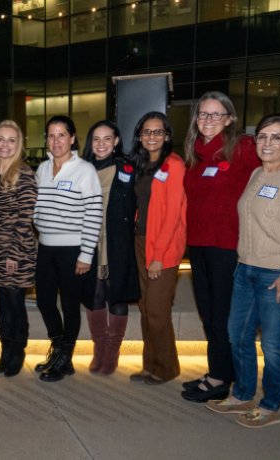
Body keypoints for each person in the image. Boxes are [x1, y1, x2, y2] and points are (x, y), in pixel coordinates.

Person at [181, 91, 280, 402]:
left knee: (222, 317)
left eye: (217, 114)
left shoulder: (243, 147)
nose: (208, 120)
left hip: (230, 248)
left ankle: (221, 378)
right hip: (199, 246)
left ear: (230, 118)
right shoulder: (195, 152)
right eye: (203, 114)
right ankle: (220, 370)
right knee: (210, 315)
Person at [33, 115, 103, 382]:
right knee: (44, 300)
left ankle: (66, 358)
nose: (56, 140)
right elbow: (37, 206)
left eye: (62, 135)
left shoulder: (85, 170)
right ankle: (58, 347)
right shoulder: (42, 168)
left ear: (73, 138)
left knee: (70, 305)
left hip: (73, 250)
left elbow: (94, 213)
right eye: (51, 135)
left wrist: (86, 254)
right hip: (46, 248)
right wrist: (38, 222)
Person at [128, 112, 186, 385]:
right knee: (144, 308)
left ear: (167, 136)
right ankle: (150, 365)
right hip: (140, 242)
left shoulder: (173, 165)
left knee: (156, 311)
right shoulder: (140, 165)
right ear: (140, 136)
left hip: (162, 247)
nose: (152, 137)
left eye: (157, 132)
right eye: (147, 132)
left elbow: (173, 214)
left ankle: (166, 368)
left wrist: (158, 256)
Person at [82, 120, 139, 375]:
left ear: (116, 141)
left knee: (116, 297)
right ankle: (100, 349)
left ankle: (112, 352)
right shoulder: (80, 169)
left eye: (107, 139)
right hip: (88, 243)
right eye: (96, 139)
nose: (101, 144)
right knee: (93, 296)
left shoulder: (128, 167)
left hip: (117, 243)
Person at [0, 120, 37, 377]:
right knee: (4, 303)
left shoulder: (23, 173)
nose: (5, 144)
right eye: (1, 139)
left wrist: (13, 255)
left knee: (16, 303)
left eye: (11, 140)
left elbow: (26, 217)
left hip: (16, 251)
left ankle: (18, 351)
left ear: (18, 145)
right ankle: (6, 350)